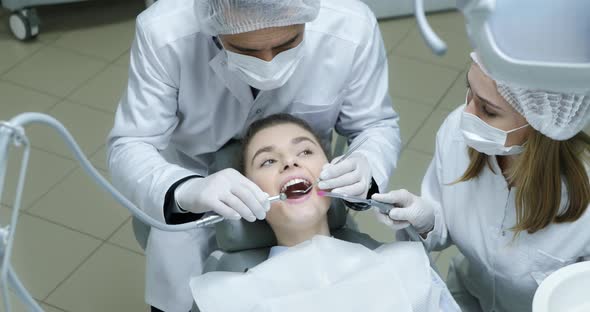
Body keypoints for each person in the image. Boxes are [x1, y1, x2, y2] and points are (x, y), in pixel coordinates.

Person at [107, 0, 401, 311]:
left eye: (288, 43)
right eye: (245, 51)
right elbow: (130, 144)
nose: (268, 62)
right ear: (213, 27)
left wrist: (368, 163)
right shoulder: (164, 33)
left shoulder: (351, 27)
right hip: (194, 206)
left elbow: (374, 125)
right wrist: (186, 190)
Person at [373, 52, 590, 312]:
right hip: (468, 295)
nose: (467, 113)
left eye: (488, 110)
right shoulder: (458, 132)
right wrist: (428, 221)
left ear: (541, 124)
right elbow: (448, 223)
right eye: (469, 91)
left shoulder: (584, 198)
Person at [189, 114, 459, 312]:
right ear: (248, 192)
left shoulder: (406, 266)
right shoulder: (229, 299)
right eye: (268, 160)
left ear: (333, 171)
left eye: (305, 151)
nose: (290, 162)